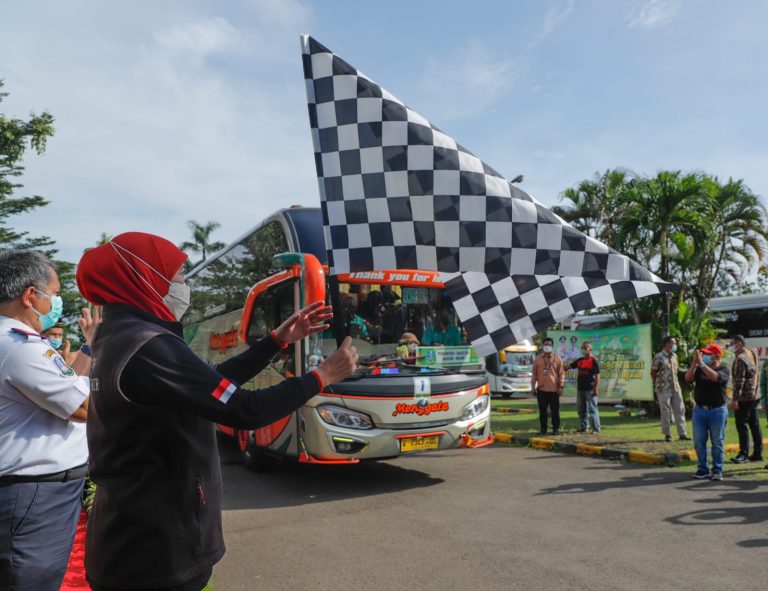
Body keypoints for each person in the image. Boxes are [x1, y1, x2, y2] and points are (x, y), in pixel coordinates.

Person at [76, 232, 359, 591]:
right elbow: (244, 409)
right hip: (156, 548)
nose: (183, 285)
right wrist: (323, 376)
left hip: (132, 537)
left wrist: (275, 342)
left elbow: (209, 386)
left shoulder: (118, 337)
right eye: (176, 275)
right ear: (145, 276)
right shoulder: (149, 346)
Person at [0, 249, 97, 590]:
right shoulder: (20, 346)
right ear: (29, 296)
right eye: (53, 294)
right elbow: (84, 407)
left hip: (35, 492)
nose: (57, 303)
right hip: (34, 496)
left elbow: (66, 387)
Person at [685, 343, 730, 481]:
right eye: (704, 354)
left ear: (717, 356)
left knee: (717, 442)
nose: (704, 357)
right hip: (700, 410)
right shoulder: (699, 369)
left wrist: (702, 365)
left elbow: (716, 378)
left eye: (708, 354)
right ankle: (703, 469)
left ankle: (717, 470)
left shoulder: (724, 369)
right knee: (699, 441)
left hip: (717, 411)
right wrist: (694, 364)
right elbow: (688, 378)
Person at [729, 335, 762, 463]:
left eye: (733, 344)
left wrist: (735, 399)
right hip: (755, 395)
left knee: (741, 424)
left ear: (740, 343)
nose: (731, 347)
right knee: (754, 424)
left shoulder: (741, 359)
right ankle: (758, 453)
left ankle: (743, 453)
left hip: (745, 398)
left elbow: (739, 381)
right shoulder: (752, 352)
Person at [651, 336, 690, 442]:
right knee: (665, 411)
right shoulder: (658, 357)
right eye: (672, 343)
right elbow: (653, 372)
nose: (674, 345)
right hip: (663, 389)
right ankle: (667, 434)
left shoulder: (675, 356)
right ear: (666, 344)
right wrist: (658, 383)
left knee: (680, 409)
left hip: (676, 388)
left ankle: (682, 434)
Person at [531, 336, 565, 435]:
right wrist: (533, 388)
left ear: (552, 346)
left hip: (554, 390)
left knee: (555, 411)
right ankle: (543, 429)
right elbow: (534, 374)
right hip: (541, 390)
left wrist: (561, 387)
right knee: (542, 412)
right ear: (542, 346)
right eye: (545, 344)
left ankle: (555, 429)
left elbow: (562, 373)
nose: (547, 346)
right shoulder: (537, 359)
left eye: (549, 345)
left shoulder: (557, 359)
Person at [569, 341, 601, 433]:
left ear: (590, 349)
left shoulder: (594, 360)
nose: (583, 349)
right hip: (581, 389)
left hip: (590, 389)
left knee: (593, 409)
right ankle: (584, 427)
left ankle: (596, 428)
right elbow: (568, 366)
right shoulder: (580, 360)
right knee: (581, 409)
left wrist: (595, 388)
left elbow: (598, 375)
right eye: (582, 348)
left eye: (585, 348)